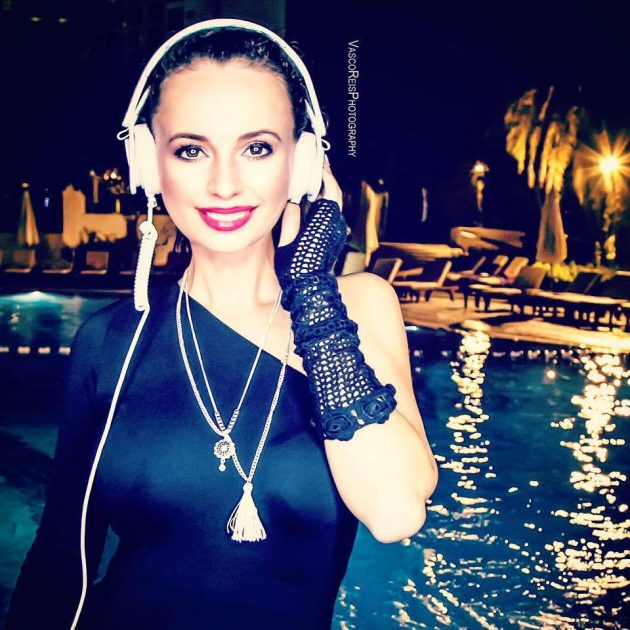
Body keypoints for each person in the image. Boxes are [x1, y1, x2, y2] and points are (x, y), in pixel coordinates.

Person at [7, 19, 438, 630]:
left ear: (303, 163)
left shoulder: (358, 308)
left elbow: (395, 514)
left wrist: (311, 288)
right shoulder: (110, 341)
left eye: (257, 148)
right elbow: (60, 559)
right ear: (148, 162)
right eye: (191, 150)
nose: (225, 184)